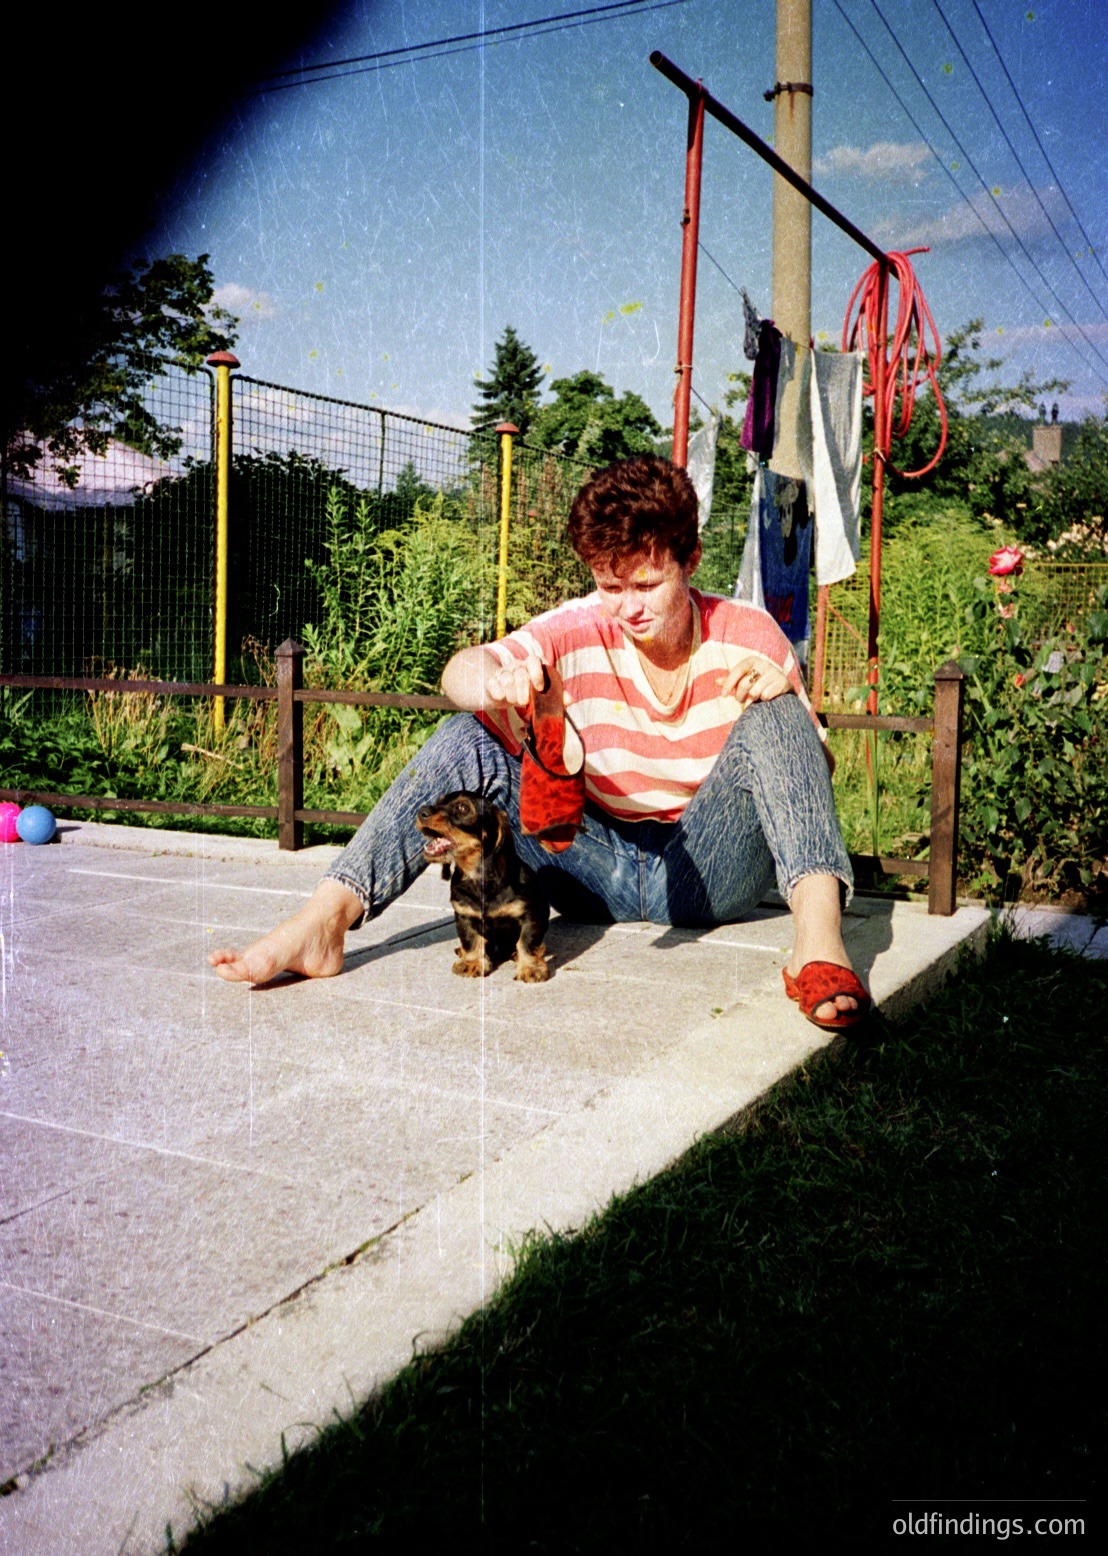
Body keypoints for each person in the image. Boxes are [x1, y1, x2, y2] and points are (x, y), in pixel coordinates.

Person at [210, 455, 868, 1028]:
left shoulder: (747, 632)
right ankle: (324, 922)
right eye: (611, 586)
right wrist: (496, 683)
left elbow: (807, 773)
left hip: (706, 870)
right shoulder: (578, 626)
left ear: (690, 561)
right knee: (470, 733)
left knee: (779, 711)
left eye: (647, 585)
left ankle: (817, 947)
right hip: (584, 867)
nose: (628, 608)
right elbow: (459, 672)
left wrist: (778, 690)